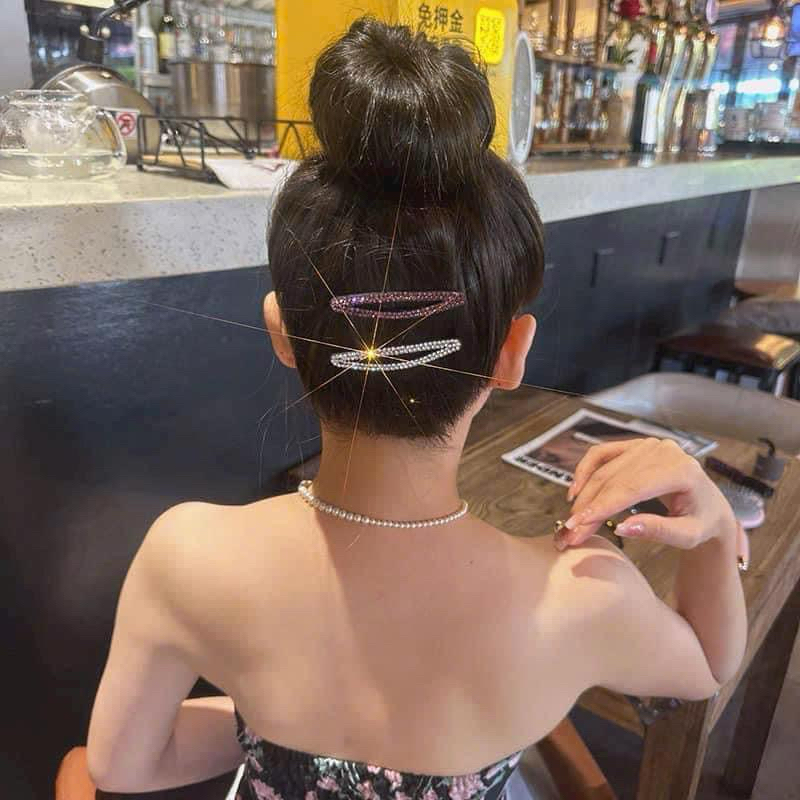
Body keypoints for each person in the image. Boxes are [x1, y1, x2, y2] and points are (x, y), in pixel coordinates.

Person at [86, 18, 747, 800]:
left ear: (282, 332)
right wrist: (709, 516)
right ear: (512, 354)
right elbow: (709, 666)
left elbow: (124, 765)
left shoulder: (188, 558)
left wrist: (269, 720)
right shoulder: (582, 596)